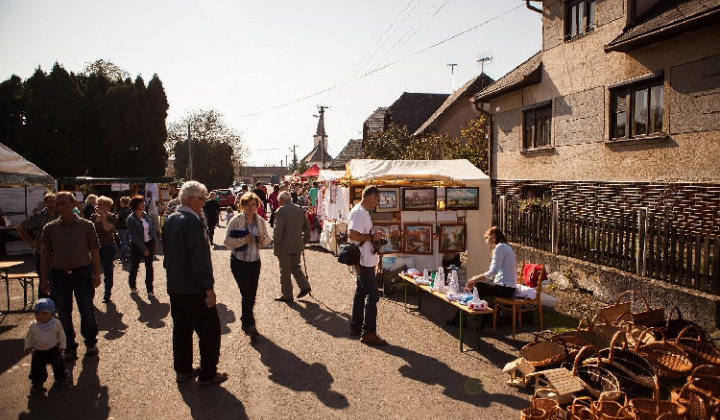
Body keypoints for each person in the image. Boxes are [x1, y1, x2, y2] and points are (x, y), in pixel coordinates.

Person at [163, 181, 226, 386]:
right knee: (209, 330)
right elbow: (199, 259)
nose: (204, 203)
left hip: (175, 285)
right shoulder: (192, 221)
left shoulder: (171, 220)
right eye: (202, 198)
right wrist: (208, 288)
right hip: (193, 287)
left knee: (181, 329)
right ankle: (208, 373)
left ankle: (183, 369)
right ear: (191, 199)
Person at [40, 191, 102, 361]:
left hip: (82, 273)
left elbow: (94, 251)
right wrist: (44, 279)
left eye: (63, 203)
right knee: (63, 313)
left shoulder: (86, 225)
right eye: (57, 204)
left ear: (74, 204)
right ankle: (69, 346)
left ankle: (90, 342)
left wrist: (97, 274)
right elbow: (45, 255)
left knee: (86, 310)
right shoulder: (49, 229)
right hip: (59, 276)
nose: (59, 207)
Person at [447, 226, 517, 327]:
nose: (486, 241)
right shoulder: (504, 247)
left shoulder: (500, 248)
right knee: (477, 288)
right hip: (506, 287)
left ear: (494, 236)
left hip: (505, 289)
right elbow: (497, 273)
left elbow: (493, 271)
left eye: (487, 237)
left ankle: (465, 318)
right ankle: (479, 317)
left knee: (476, 287)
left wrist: (475, 279)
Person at [224, 192, 271, 339]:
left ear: (257, 206)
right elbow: (227, 241)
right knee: (247, 293)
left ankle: (245, 321)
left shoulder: (261, 221)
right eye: (247, 205)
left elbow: (267, 240)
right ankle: (251, 325)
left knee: (251, 294)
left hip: (254, 262)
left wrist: (263, 239)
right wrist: (243, 240)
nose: (250, 207)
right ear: (241, 206)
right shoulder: (235, 220)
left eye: (253, 205)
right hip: (238, 261)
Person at [347, 186, 387, 346]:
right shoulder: (358, 213)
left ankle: (356, 326)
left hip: (365, 259)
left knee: (361, 292)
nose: (377, 203)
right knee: (373, 295)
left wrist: (373, 238)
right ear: (370, 196)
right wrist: (371, 237)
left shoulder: (362, 212)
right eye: (377, 199)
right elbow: (352, 234)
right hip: (363, 260)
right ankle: (368, 333)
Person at [272, 191, 311, 302]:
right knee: (295, 266)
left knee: (285, 272)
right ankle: (304, 286)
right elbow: (307, 227)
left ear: (282, 200)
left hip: (284, 246)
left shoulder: (281, 211)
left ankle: (287, 294)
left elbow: (278, 231)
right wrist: (305, 240)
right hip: (297, 245)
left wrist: (275, 241)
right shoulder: (299, 209)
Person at [24, 298, 70, 393]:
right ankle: (37, 383)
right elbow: (29, 337)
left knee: (58, 364)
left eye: (44, 313)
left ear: (51, 313)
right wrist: (28, 346)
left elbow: (61, 335)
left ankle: (61, 378)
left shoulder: (56, 323)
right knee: (37, 367)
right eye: (37, 313)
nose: (40, 316)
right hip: (38, 350)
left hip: (53, 348)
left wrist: (62, 346)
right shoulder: (33, 325)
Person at [17, 193, 57, 298]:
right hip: (42, 252)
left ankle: (57, 305)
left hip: (58, 253)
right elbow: (21, 227)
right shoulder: (39, 216)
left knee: (58, 279)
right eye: (50, 201)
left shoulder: (61, 215)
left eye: (55, 201)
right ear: (45, 203)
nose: (53, 204)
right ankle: (44, 306)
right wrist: (31, 242)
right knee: (44, 279)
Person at [126, 195, 158, 298]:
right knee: (135, 266)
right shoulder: (131, 219)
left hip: (149, 242)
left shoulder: (146, 215)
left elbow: (152, 229)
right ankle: (132, 285)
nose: (143, 205)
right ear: (136, 205)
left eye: (143, 203)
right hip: (137, 246)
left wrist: (155, 241)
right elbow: (134, 236)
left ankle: (150, 289)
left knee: (149, 266)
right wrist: (143, 249)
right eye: (141, 203)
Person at [92, 196, 118, 304]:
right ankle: (90, 295)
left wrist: (103, 216)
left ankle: (107, 293)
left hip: (108, 245)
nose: (97, 206)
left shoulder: (112, 216)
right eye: (97, 204)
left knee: (108, 270)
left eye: (100, 204)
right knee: (92, 270)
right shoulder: (93, 216)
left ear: (107, 206)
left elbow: (108, 228)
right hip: (95, 247)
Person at [116, 196, 133, 261]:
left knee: (123, 242)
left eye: (120, 202)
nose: (120, 203)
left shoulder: (121, 211)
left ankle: (123, 256)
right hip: (128, 227)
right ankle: (131, 254)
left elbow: (119, 219)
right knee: (129, 240)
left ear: (123, 202)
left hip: (121, 227)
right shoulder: (130, 210)